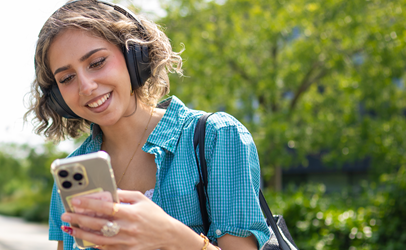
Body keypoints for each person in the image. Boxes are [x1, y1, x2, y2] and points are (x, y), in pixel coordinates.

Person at [25, 1, 271, 249]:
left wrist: (169, 234)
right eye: (67, 78)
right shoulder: (72, 175)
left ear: (134, 55)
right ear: (58, 98)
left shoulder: (217, 137)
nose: (86, 87)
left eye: (97, 62)